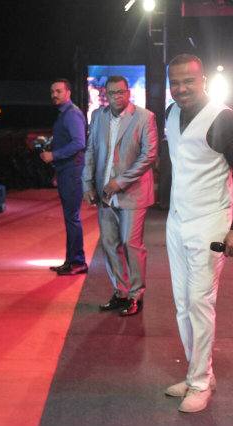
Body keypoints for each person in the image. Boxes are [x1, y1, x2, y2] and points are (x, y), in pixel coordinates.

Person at [163, 54, 233, 412]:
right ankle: (198, 372)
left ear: (202, 80)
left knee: (201, 303)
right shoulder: (170, 114)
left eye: (189, 81)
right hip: (177, 220)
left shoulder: (224, 119)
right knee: (182, 305)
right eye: (175, 82)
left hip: (211, 222)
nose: (182, 88)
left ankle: (200, 383)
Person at [82, 75, 158, 317]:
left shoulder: (145, 117)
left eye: (122, 92)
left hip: (132, 194)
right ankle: (120, 292)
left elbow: (149, 155)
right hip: (104, 194)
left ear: (129, 93)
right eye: (113, 93)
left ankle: (136, 295)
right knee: (109, 245)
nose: (117, 97)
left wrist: (120, 182)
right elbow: (91, 151)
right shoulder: (98, 116)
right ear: (106, 94)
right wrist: (88, 184)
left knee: (130, 244)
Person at [42, 78, 88, 275]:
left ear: (68, 92)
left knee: (72, 218)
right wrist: (57, 170)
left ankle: (77, 262)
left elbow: (79, 143)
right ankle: (72, 260)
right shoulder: (65, 114)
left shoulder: (71, 114)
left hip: (72, 170)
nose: (54, 95)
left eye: (58, 91)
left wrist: (54, 156)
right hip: (66, 170)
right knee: (70, 218)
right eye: (52, 91)